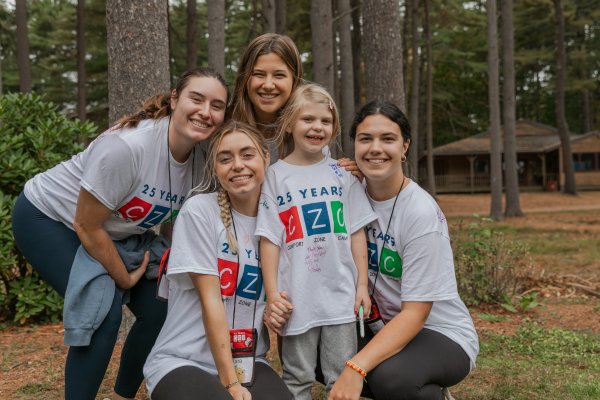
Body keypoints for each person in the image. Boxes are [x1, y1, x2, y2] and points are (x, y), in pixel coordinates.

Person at [11, 67, 229, 400]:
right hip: (50, 219)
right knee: (104, 311)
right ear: (174, 99)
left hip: (115, 232)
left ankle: (122, 395)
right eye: (196, 99)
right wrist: (123, 278)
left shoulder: (202, 161)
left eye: (217, 105)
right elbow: (86, 225)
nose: (205, 112)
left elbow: (179, 220)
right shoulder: (128, 147)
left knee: (162, 304)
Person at [328, 101, 479, 400]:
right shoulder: (348, 191)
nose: (375, 148)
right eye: (365, 139)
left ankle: (423, 385)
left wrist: (356, 368)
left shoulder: (420, 213)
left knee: (390, 378)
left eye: (388, 139)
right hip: (378, 323)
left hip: (439, 331)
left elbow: (415, 314)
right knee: (323, 352)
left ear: (404, 146)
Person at [143, 121, 292, 400]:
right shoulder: (200, 211)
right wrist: (231, 383)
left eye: (247, 155)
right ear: (214, 168)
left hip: (249, 361)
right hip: (183, 360)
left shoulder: (279, 219)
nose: (238, 165)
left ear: (265, 158)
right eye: (225, 159)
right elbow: (211, 301)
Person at [255, 83, 377, 400]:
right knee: (296, 377)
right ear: (289, 124)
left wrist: (361, 285)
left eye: (325, 121)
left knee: (340, 375)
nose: (317, 127)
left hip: (340, 296)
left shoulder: (343, 173)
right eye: (308, 119)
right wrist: (272, 294)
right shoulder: (274, 177)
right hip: (297, 299)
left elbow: (356, 232)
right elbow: (269, 240)